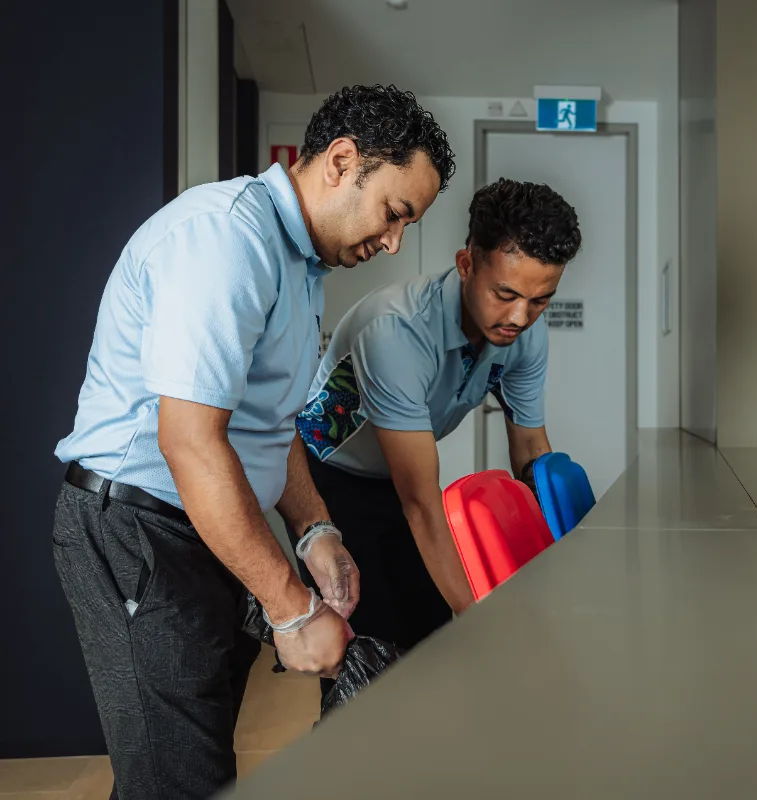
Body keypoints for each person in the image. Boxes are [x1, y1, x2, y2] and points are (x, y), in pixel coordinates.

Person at [52, 84, 455, 800]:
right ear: (341, 161)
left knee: (174, 766)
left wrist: (314, 527)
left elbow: (267, 422)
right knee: (182, 781)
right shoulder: (225, 240)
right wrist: (292, 609)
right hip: (137, 529)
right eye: (394, 214)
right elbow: (192, 444)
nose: (394, 241)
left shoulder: (297, 264)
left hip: (200, 526)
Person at [296, 178, 581, 697]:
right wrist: (482, 620)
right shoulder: (397, 331)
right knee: (372, 665)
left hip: (405, 481)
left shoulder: (523, 333)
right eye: (506, 294)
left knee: (433, 644)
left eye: (541, 299)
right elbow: (421, 505)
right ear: (467, 263)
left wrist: (547, 576)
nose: (521, 317)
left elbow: (532, 453)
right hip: (330, 482)